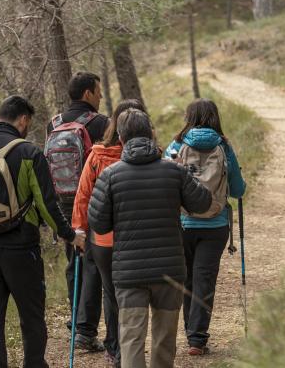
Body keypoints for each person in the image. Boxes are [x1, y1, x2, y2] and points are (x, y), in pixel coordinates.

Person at [0, 96, 85, 368]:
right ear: (23, 120)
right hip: (21, 250)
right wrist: (69, 235)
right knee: (32, 316)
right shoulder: (29, 153)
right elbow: (47, 204)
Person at [88, 108, 212, 368]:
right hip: (169, 270)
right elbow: (203, 203)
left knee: (131, 339)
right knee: (164, 341)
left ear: (121, 138)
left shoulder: (111, 176)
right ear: (151, 135)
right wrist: (184, 174)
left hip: (129, 272)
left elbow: (98, 224)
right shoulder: (173, 172)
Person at [165, 98, 246, 356]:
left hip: (183, 223)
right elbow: (238, 189)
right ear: (215, 117)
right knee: (204, 279)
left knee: (187, 278)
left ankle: (191, 331)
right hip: (216, 224)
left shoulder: (177, 144)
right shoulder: (224, 146)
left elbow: (165, 181)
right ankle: (197, 339)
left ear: (189, 117)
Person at [72, 99, 146, 367]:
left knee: (111, 292)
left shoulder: (98, 155)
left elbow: (83, 196)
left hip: (103, 239)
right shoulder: (151, 155)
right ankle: (131, 347)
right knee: (137, 292)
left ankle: (115, 348)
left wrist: (79, 230)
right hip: (138, 237)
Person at [46, 71, 109, 351]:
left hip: (62, 201)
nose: (101, 96)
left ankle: (76, 319)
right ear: (87, 94)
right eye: (98, 91)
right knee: (93, 262)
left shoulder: (54, 124)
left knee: (74, 259)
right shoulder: (101, 123)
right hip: (92, 200)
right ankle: (86, 330)